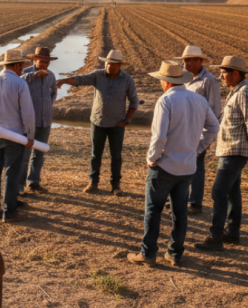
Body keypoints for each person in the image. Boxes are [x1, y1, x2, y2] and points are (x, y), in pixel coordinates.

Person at [128, 62, 219, 267]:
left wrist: (152, 157)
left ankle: (148, 252)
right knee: (180, 212)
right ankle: (175, 253)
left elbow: (159, 136)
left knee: (153, 210)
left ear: (166, 82)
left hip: (165, 166)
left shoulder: (166, 100)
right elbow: (214, 127)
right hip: (187, 167)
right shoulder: (199, 100)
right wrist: (197, 149)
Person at [195, 56, 248, 251]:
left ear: (235, 73)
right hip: (230, 150)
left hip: (234, 150)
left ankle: (216, 237)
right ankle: (232, 233)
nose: (221, 75)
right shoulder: (237, 91)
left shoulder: (244, 93)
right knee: (232, 192)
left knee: (218, 191)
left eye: (224, 72)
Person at [56, 50, 139, 196]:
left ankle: (116, 185)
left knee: (116, 156)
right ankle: (93, 182)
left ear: (119, 65)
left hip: (116, 124)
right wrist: (63, 81)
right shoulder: (97, 75)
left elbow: (134, 102)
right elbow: (80, 80)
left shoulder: (127, 80)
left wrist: (126, 120)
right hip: (98, 122)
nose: (109, 67)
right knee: (95, 155)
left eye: (113, 64)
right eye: (107, 63)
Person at [0, 49, 35, 222]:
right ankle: (9, 212)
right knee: (12, 173)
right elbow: (27, 113)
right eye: (22, 66)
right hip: (14, 136)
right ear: (17, 65)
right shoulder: (20, 84)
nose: (23, 69)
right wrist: (30, 135)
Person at [175, 45, 222, 214]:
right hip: (184, 130)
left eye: (188, 61)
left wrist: (206, 137)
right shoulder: (183, 77)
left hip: (199, 132)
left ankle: (195, 203)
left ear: (198, 61)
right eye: (184, 61)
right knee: (182, 165)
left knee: (197, 166)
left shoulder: (209, 81)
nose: (185, 64)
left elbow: (215, 111)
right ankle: (182, 199)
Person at [18, 47, 58, 194]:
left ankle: (34, 182)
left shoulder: (51, 75)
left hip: (45, 120)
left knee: (39, 154)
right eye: (41, 62)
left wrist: (46, 106)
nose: (44, 65)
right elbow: (16, 83)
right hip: (28, 122)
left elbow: (53, 93)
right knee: (24, 155)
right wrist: (35, 75)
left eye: (46, 62)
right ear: (34, 60)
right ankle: (20, 185)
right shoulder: (25, 73)